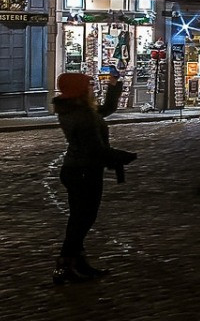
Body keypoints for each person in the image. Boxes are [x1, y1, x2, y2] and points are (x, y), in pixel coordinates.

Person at [53, 70, 133, 283]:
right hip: (84, 171)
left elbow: (104, 110)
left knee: (80, 218)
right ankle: (66, 264)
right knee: (82, 220)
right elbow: (95, 149)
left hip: (76, 170)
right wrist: (122, 157)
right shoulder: (83, 115)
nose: (92, 87)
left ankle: (78, 262)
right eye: (88, 84)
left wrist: (114, 87)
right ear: (79, 89)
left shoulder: (74, 109)